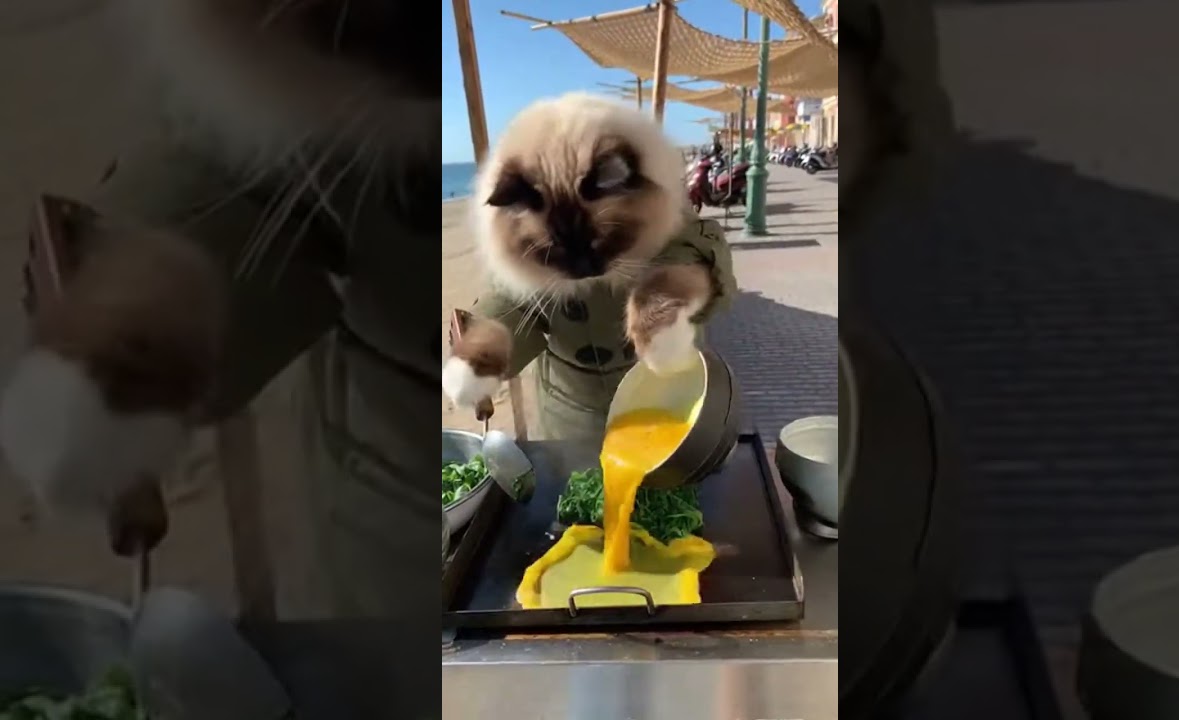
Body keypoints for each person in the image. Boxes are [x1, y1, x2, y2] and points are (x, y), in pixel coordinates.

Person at [0, 0, 954, 619]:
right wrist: (479, 358)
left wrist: (672, 289)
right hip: (405, 478)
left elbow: (704, 261)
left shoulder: (662, 215)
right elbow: (230, 186)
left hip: (688, 442)